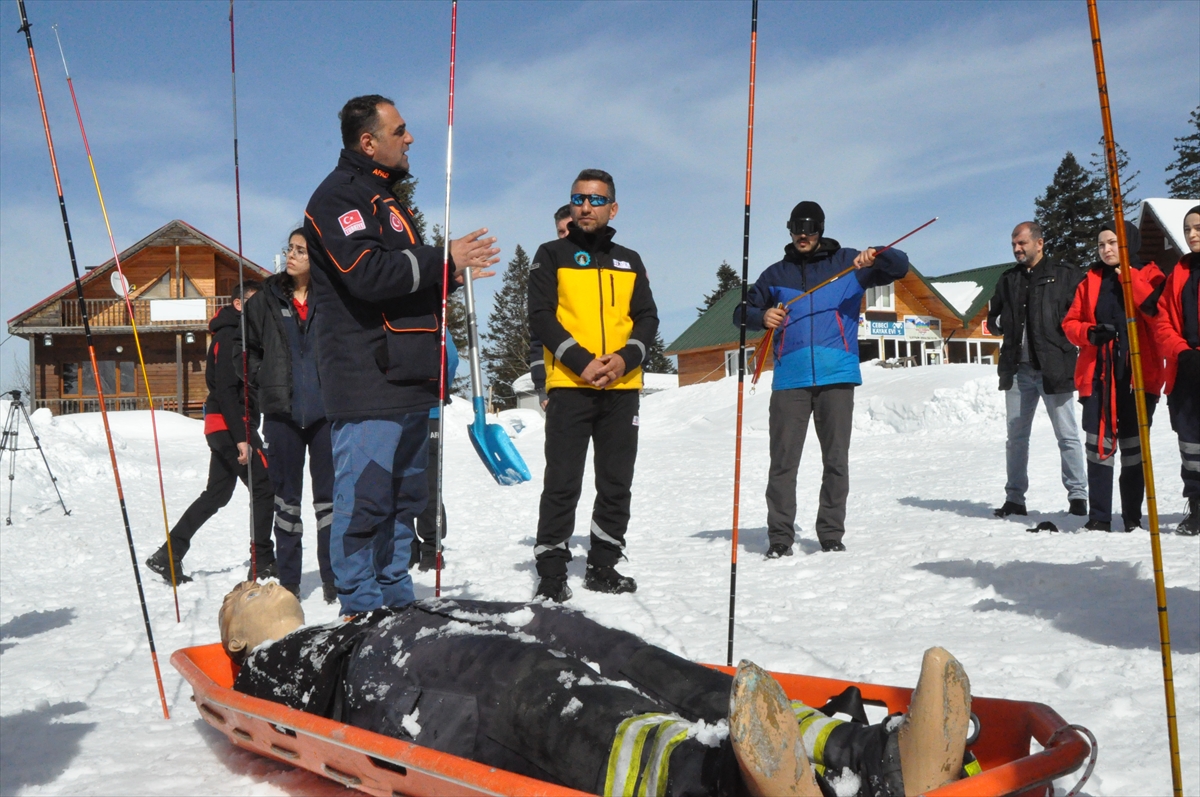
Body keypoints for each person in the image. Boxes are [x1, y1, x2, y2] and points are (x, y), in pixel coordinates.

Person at [221, 581, 977, 797]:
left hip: (423, 623)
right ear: (237, 636)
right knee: (538, 685)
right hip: (388, 681)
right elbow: (255, 701)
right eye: (243, 591)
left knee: (618, 650)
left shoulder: (337, 620)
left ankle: (864, 754)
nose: (259, 581)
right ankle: (715, 780)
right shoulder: (269, 662)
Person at [303, 94, 499, 614]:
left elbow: (406, 284)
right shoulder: (337, 199)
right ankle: (361, 611)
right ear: (368, 141)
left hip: (409, 380)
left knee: (403, 503)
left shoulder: (387, 201)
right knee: (364, 501)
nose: (410, 139)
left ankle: (397, 603)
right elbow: (367, 276)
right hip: (367, 383)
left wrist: (451, 274)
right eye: (400, 130)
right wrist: (442, 259)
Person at [737, 201, 909, 556]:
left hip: (838, 375)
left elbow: (900, 266)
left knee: (835, 460)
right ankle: (780, 537)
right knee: (783, 462)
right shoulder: (775, 274)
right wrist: (761, 316)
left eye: (811, 228)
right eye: (798, 228)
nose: (804, 235)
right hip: (790, 380)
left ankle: (830, 533)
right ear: (790, 230)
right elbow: (741, 312)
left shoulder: (847, 263)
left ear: (821, 230)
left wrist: (875, 255)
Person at [527, 170, 660, 601]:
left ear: (612, 208)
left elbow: (648, 319)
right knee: (563, 480)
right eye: (578, 198)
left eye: (596, 200)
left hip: (622, 388)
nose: (586, 206)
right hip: (569, 384)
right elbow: (541, 317)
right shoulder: (551, 255)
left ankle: (603, 566)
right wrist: (582, 363)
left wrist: (624, 360)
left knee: (616, 481)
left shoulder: (631, 259)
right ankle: (551, 571)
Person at [145, 282, 275, 583]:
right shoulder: (231, 336)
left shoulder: (228, 333)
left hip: (220, 425)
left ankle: (168, 553)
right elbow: (228, 391)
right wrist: (242, 436)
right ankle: (263, 562)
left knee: (217, 493)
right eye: (257, 304)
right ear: (239, 304)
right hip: (231, 425)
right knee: (263, 487)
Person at [241, 231, 336, 602]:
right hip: (281, 415)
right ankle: (290, 580)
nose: (291, 255)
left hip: (327, 415)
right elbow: (243, 352)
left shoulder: (332, 297)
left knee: (330, 502)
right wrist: (264, 378)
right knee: (286, 502)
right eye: (290, 249)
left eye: (300, 250)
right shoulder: (263, 300)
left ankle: (333, 577)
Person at [1062, 221, 1166, 532]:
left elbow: (1155, 312)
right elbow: (1070, 323)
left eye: (1113, 243)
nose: (1106, 250)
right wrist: (1088, 332)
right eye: (1101, 245)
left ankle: (1132, 517)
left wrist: (1128, 276)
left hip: (1138, 376)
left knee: (1134, 449)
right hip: (1099, 377)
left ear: (1128, 243)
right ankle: (1099, 517)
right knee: (1098, 447)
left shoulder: (1149, 273)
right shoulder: (1090, 280)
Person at [987, 222, 1088, 519]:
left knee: (1067, 435)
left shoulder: (1066, 275)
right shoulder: (1008, 280)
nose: (1017, 249)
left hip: (1054, 368)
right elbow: (992, 319)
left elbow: (1081, 315)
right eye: (1013, 244)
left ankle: (1078, 497)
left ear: (1039, 243)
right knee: (1016, 438)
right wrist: (1001, 322)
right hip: (1017, 370)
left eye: (1022, 243)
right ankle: (1015, 499)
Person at [1156, 205, 1200, 535]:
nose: (1192, 235)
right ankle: (1198, 507)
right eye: (1187, 230)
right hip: (1185, 370)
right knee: (1190, 446)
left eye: (1197, 228)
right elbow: (1162, 322)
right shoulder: (1179, 273)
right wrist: (1182, 353)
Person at [410, 333, 458, 571]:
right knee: (401, 479)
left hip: (427, 411)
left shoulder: (433, 318)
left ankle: (430, 546)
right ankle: (409, 544)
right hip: (400, 411)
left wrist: (439, 390)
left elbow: (450, 357)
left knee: (425, 481)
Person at [527, 205, 573, 411]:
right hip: (560, 380)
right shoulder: (547, 269)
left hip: (612, 381)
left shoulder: (614, 263)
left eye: (571, 228)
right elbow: (539, 334)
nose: (566, 236)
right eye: (561, 231)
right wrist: (541, 385)